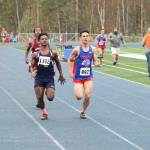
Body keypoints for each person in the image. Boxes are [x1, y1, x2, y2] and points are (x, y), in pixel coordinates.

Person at [31, 32, 65, 120]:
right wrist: (32, 71)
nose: (44, 40)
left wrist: (61, 74)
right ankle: (44, 112)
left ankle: (47, 91)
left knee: (50, 98)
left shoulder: (53, 53)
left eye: (46, 38)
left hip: (49, 78)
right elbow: (32, 65)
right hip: (39, 78)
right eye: (42, 39)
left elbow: (58, 63)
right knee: (39, 97)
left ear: (48, 40)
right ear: (39, 41)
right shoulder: (36, 54)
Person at [67, 30, 100, 119]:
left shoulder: (92, 49)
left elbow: (95, 60)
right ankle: (79, 96)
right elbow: (69, 60)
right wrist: (70, 72)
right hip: (78, 77)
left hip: (88, 76)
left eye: (87, 36)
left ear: (89, 38)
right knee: (79, 97)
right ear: (81, 38)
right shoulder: (77, 50)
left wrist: (97, 63)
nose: (85, 37)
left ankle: (83, 111)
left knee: (88, 95)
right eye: (83, 36)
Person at [25, 27, 42, 108]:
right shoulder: (32, 42)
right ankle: (38, 100)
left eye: (39, 30)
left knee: (43, 82)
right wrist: (26, 58)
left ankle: (40, 97)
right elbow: (27, 50)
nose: (38, 32)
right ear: (34, 32)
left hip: (43, 64)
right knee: (37, 82)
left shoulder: (44, 41)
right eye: (36, 31)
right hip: (34, 64)